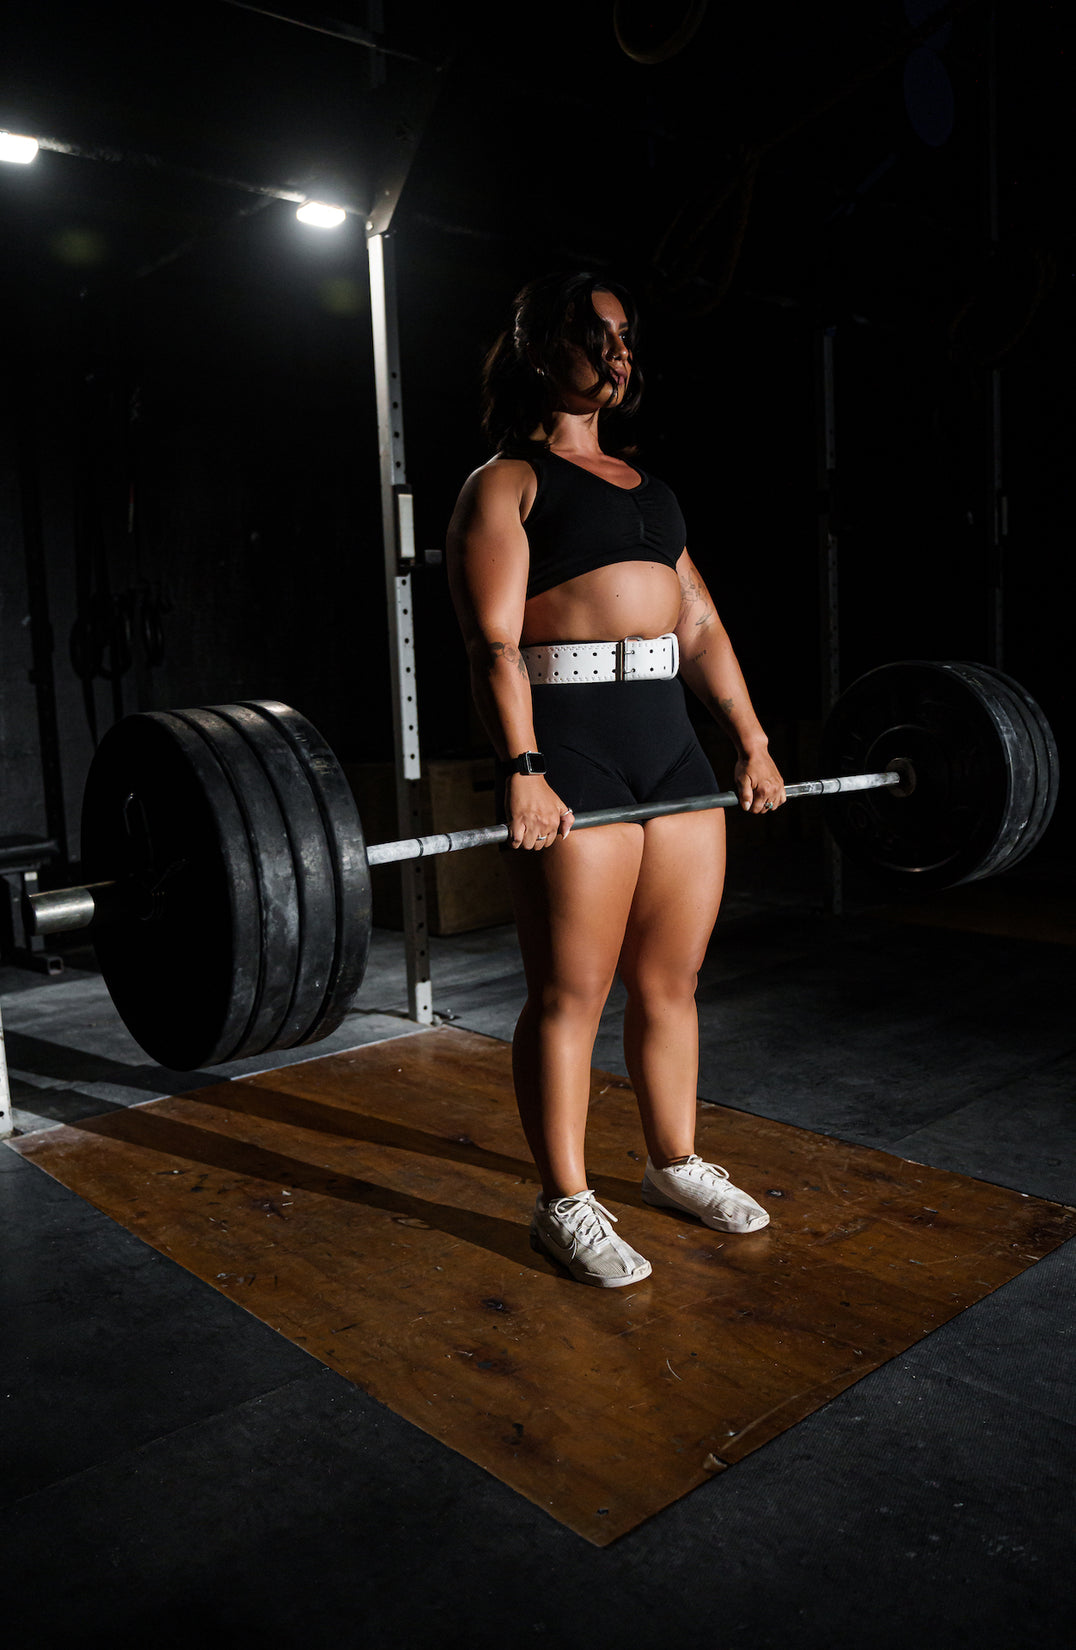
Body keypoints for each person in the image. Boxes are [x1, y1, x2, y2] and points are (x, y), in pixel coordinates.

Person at [446, 271, 786, 1288]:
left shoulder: (657, 493)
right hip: (573, 750)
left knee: (669, 982)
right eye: (595, 335)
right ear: (539, 348)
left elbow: (700, 626)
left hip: (668, 747)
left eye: (625, 336)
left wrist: (752, 742)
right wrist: (523, 768)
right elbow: (490, 643)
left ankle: (672, 1162)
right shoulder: (505, 484)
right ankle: (564, 1202)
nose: (616, 351)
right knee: (569, 994)